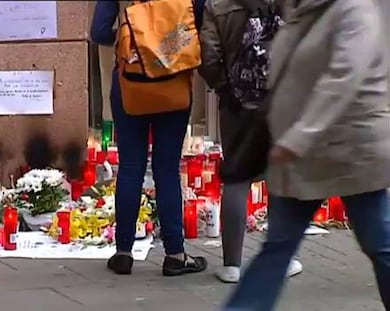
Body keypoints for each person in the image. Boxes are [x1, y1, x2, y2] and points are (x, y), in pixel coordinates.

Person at [223, 0, 390, 310]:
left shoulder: (353, 10)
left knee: (380, 244)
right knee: (277, 247)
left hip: (351, 152)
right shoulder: (304, 10)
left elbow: (342, 80)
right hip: (303, 157)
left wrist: (299, 137)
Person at [90, 0, 208, 277]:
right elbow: (200, 23)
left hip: (130, 81)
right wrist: (167, 45)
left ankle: (123, 253)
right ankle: (175, 255)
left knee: (130, 168)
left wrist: (132, 39)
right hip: (173, 79)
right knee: (166, 169)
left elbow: (98, 32)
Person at [198, 0, 303, 283]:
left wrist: (224, 88)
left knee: (237, 178)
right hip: (281, 99)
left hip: (238, 103)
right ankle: (284, 257)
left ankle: (232, 265)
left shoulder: (217, 4)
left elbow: (208, 55)